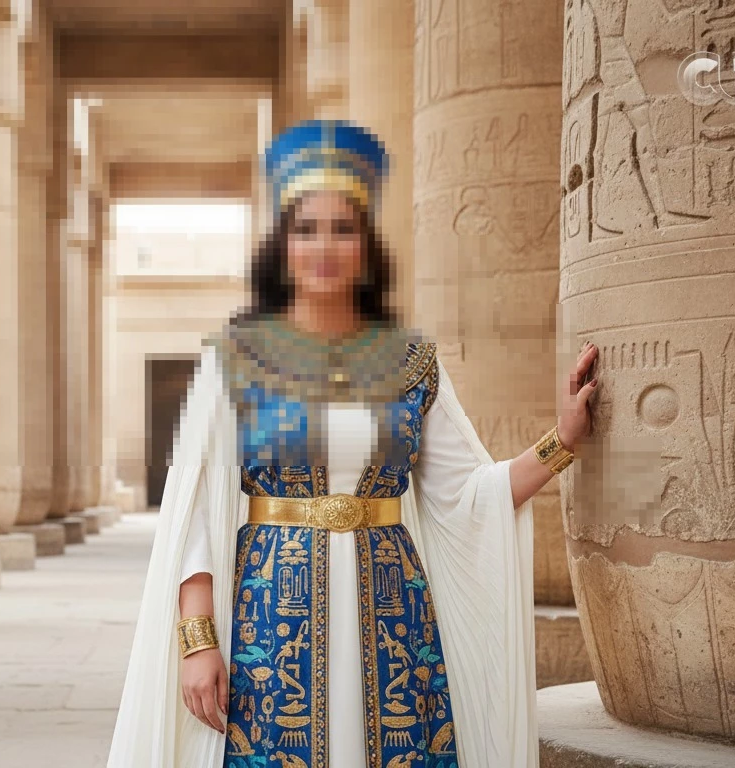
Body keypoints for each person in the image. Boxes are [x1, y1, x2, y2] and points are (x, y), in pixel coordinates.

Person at [107, 119, 600, 768]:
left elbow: (468, 493)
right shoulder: (237, 358)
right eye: (306, 229)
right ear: (282, 244)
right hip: (269, 619)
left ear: (366, 245)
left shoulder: (410, 361)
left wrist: (561, 441)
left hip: (393, 618)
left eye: (342, 229)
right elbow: (195, 511)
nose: (323, 245)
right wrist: (198, 642)